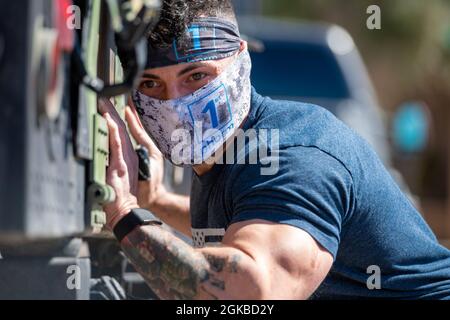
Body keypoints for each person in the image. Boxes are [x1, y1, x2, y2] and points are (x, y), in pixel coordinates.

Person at [97, 0, 450, 299]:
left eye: (196, 77)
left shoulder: (294, 156)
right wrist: (155, 200)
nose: (175, 104)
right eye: (151, 83)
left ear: (240, 61)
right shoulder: (238, 153)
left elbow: (252, 291)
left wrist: (124, 214)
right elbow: (256, 219)